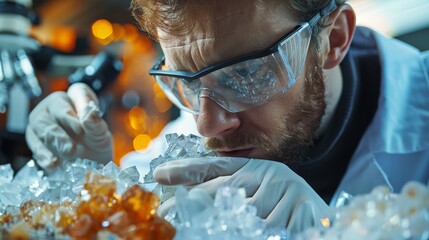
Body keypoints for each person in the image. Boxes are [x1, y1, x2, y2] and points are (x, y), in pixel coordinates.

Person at [25, 0, 429, 233]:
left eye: (246, 74)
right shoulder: (196, 127)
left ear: (334, 38)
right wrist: (90, 180)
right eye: (184, 79)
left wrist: (336, 236)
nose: (207, 125)